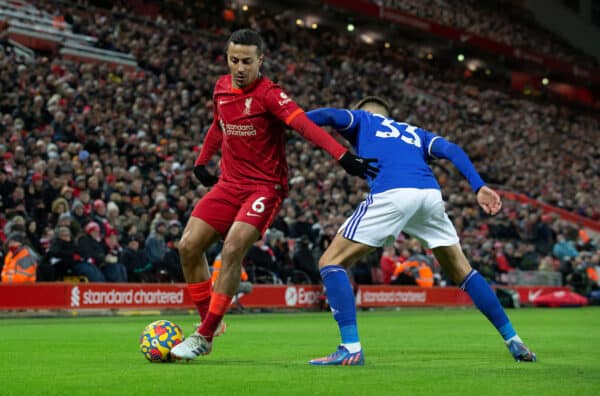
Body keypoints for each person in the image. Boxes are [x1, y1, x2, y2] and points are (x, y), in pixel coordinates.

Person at [170, 29, 378, 360]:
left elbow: (304, 126)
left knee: (233, 245)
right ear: (227, 58)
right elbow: (218, 124)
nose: (240, 67)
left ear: (260, 61)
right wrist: (201, 161)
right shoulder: (222, 88)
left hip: (265, 187)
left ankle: (204, 335)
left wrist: (343, 156)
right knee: (188, 246)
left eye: (247, 62)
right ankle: (209, 318)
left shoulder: (270, 95)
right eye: (234, 60)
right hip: (229, 183)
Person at [305, 96, 536, 365]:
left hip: (394, 191)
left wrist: (290, 120)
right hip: (429, 195)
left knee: (330, 262)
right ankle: (514, 340)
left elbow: (330, 115)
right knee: (463, 271)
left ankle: (351, 348)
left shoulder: (361, 119)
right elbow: (452, 150)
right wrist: (479, 186)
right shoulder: (415, 132)